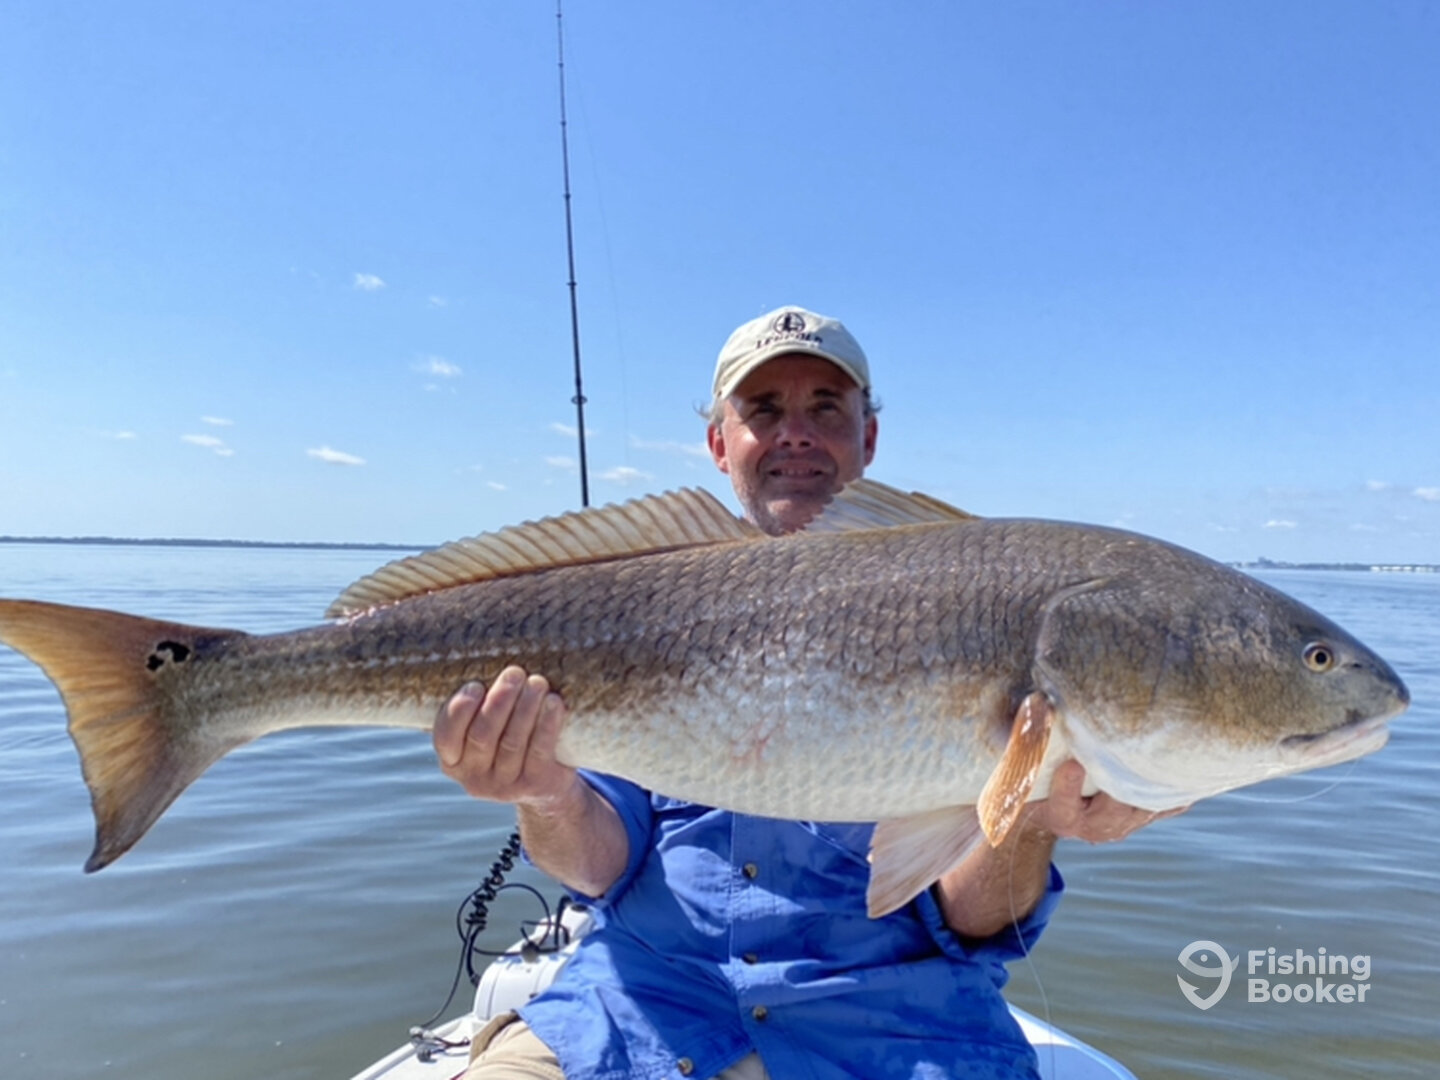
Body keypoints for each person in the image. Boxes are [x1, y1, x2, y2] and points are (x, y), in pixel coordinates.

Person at [434, 306, 1168, 1080]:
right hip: (632, 1021)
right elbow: (597, 870)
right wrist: (544, 792)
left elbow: (972, 919)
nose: (795, 434)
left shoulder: (972, 596)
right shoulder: (633, 601)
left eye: (825, 408)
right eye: (763, 410)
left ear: (867, 438)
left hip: (899, 1043)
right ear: (720, 444)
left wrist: (1030, 814)